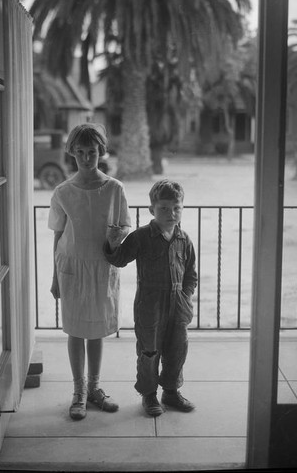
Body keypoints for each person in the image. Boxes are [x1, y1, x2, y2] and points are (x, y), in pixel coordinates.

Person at [48, 123, 131, 421]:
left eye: (92, 152)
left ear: (101, 152)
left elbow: (123, 226)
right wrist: (54, 277)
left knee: (95, 330)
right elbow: (58, 236)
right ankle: (78, 391)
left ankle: (95, 388)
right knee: (75, 330)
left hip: (101, 267)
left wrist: (116, 237)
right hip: (71, 268)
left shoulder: (114, 189)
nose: (86, 158)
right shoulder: (63, 192)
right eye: (80, 152)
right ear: (71, 153)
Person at [104, 179, 197, 417]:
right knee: (149, 351)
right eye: (164, 208)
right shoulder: (142, 237)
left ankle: (171, 391)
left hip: (178, 305)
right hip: (150, 305)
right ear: (152, 210)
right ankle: (149, 394)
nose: (171, 213)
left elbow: (190, 275)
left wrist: (185, 297)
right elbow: (120, 259)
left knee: (177, 349)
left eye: (176, 207)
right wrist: (113, 244)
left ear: (182, 208)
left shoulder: (184, 239)